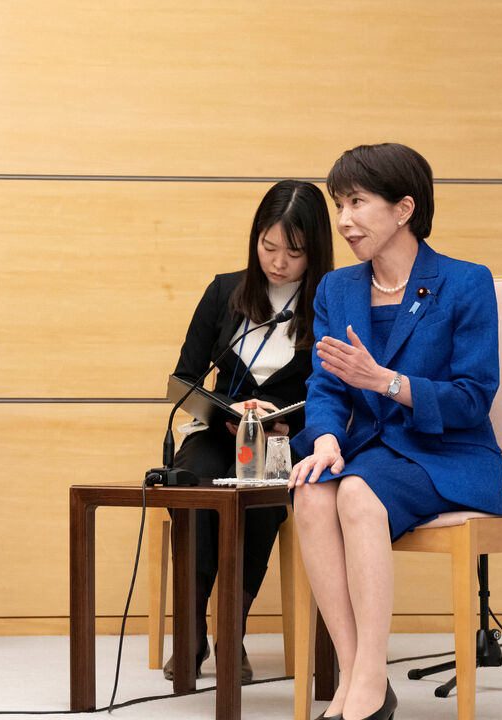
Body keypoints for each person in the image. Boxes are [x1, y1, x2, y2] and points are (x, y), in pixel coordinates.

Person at [289, 143, 502, 720]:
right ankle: (354, 675)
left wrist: (385, 382)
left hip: (449, 452)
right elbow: (326, 386)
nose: (342, 220)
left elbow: (472, 398)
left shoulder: (465, 283)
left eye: (358, 202)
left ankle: (368, 679)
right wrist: (324, 438)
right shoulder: (337, 289)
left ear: (403, 208)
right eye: (339, 204)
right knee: (311, 493)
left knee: (359, 494)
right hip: (369, 451)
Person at [164, 180, 334, 682]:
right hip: (218, 432)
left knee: (260, 492)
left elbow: (338, 392)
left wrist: (281, 416)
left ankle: (230, 632)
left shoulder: (329, 303)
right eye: (269, 246)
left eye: (294, 252)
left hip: (284, 442)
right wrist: (230, 408)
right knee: (193, 483)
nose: (278, 262)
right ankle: (192, 628)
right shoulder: (225, 291)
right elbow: (185, 379)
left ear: (315, 252)